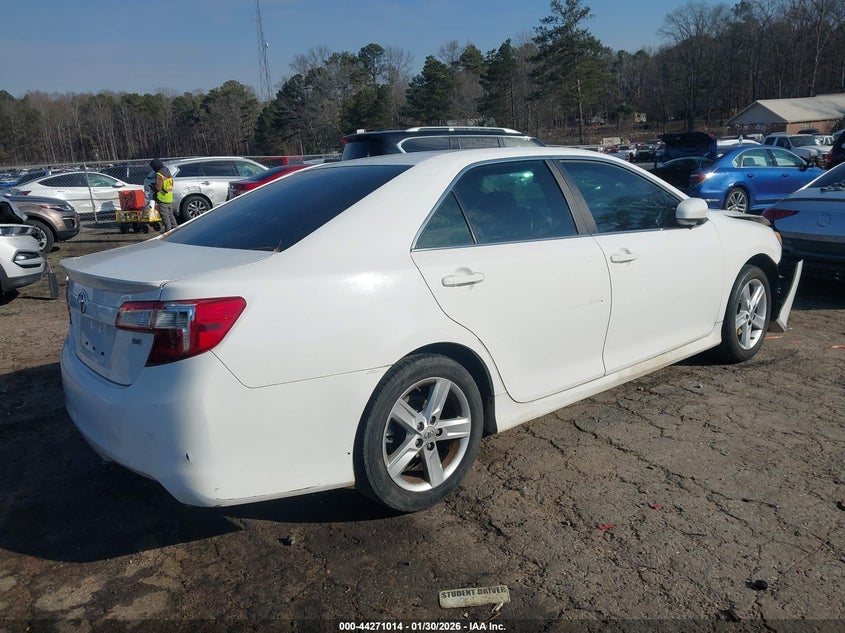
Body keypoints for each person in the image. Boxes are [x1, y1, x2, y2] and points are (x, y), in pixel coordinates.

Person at [150, 158, 176, 232]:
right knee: (171, 215)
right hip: (169, 197)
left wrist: (153, 187)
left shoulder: (159, 174)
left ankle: (168, 231)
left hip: (162, 198)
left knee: (165, 217)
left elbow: (158, 187)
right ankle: (175, 229)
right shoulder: (168, 172)